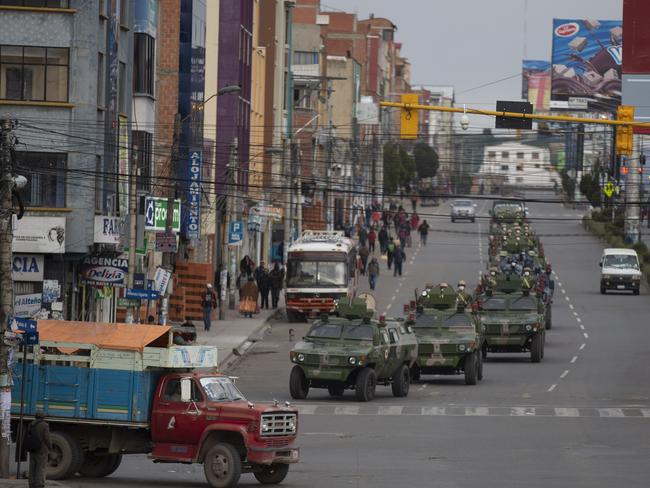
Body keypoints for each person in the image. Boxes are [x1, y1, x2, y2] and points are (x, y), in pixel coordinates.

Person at [28, 410, 52, 488]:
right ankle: (39, 484)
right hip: (42, 450)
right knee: (40, 468)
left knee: (32, 468)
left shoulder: (31, 424)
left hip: (32, 449)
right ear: (43, 417)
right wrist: (50, 447)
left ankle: (31, 484)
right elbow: (47, 438)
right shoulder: (45, 425)